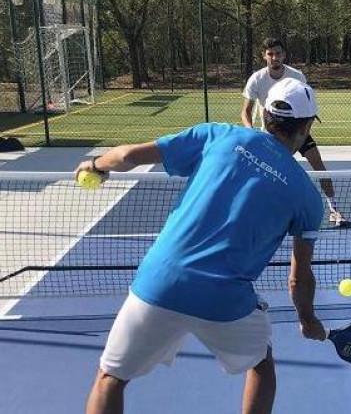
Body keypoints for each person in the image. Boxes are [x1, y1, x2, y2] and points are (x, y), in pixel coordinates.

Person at [81, 78, 327, 414]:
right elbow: (299, 279)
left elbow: (126, 156)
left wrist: (94, 165)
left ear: (264, 114)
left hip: (160, 283)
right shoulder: (309, 199)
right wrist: (308, 320)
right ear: (307, 127)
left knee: (110, 378)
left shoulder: (218, 134)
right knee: (261, 366)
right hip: (225, 301)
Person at [242, 37, 346, 227]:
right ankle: (258, 210)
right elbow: (245, 112)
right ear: (264, 56)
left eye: (278, 53)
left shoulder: (297, 76)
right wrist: (252, 134)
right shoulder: (256, 79)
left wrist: (302, 134)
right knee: (264, 173)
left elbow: (307, 108)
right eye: (270, 54)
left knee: (319, 166)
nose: (275, 57)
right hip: (270, 134)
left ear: (284, 55)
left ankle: (334, 209)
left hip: (297, 131)